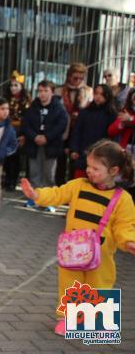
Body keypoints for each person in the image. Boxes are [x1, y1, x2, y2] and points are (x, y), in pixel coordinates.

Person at [21, 139, 135, 336]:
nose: (89, 171)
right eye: (88, 166)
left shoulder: (123, 199)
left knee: (99, 286)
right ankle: (68, 320)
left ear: (114, 171)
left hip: (101, 255)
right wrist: (36, 195)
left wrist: (128, 241)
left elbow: (125, 225)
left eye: (96, 168)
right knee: (70, 285)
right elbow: (57, 194)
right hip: (72, 251)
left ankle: (92, 321)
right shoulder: (78, 185)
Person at [21, 80, 68, 211]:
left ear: (52, 92)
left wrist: (47, 137)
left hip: (51, 145)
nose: (42, 94)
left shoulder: (59, 108)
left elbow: (61, 125)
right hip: (34, 144)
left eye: (45, 91)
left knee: (49, 173)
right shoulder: (33, 107)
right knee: (34, 172)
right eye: (40, 91)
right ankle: (34, 198)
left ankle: (50, 201)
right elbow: (26, 124)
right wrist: (34, 136)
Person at [56, 63, 93, 185]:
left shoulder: (88, 91)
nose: (78, 81)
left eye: (81, 78)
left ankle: (72, 189)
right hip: (62, 129)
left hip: (78, 130)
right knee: (60, 161)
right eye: (75, 78)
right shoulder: (60, 90)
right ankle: (59, 188)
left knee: (75, 161)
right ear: (69, 76)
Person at [69, 84, 116, 179]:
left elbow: (112, 137)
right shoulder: (85, 112)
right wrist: (74, 149)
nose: (98, 97)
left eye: (102, 94)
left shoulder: (112, 114)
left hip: (102, 155)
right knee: (79, 183)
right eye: (96, 93)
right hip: (83, 153)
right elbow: (76, 132)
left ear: (107, 96)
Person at [2, 70, 30, 192]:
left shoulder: (26, 101)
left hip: (19, 130)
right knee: (6, 156)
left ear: (21, 87)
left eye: (16, 85)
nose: (13, 88)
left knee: (15, 156)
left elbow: (28, 119)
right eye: (11, 85)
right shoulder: (6, 98)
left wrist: (23, 133)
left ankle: (13, 180)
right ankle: (7, 178)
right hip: (6, 128)